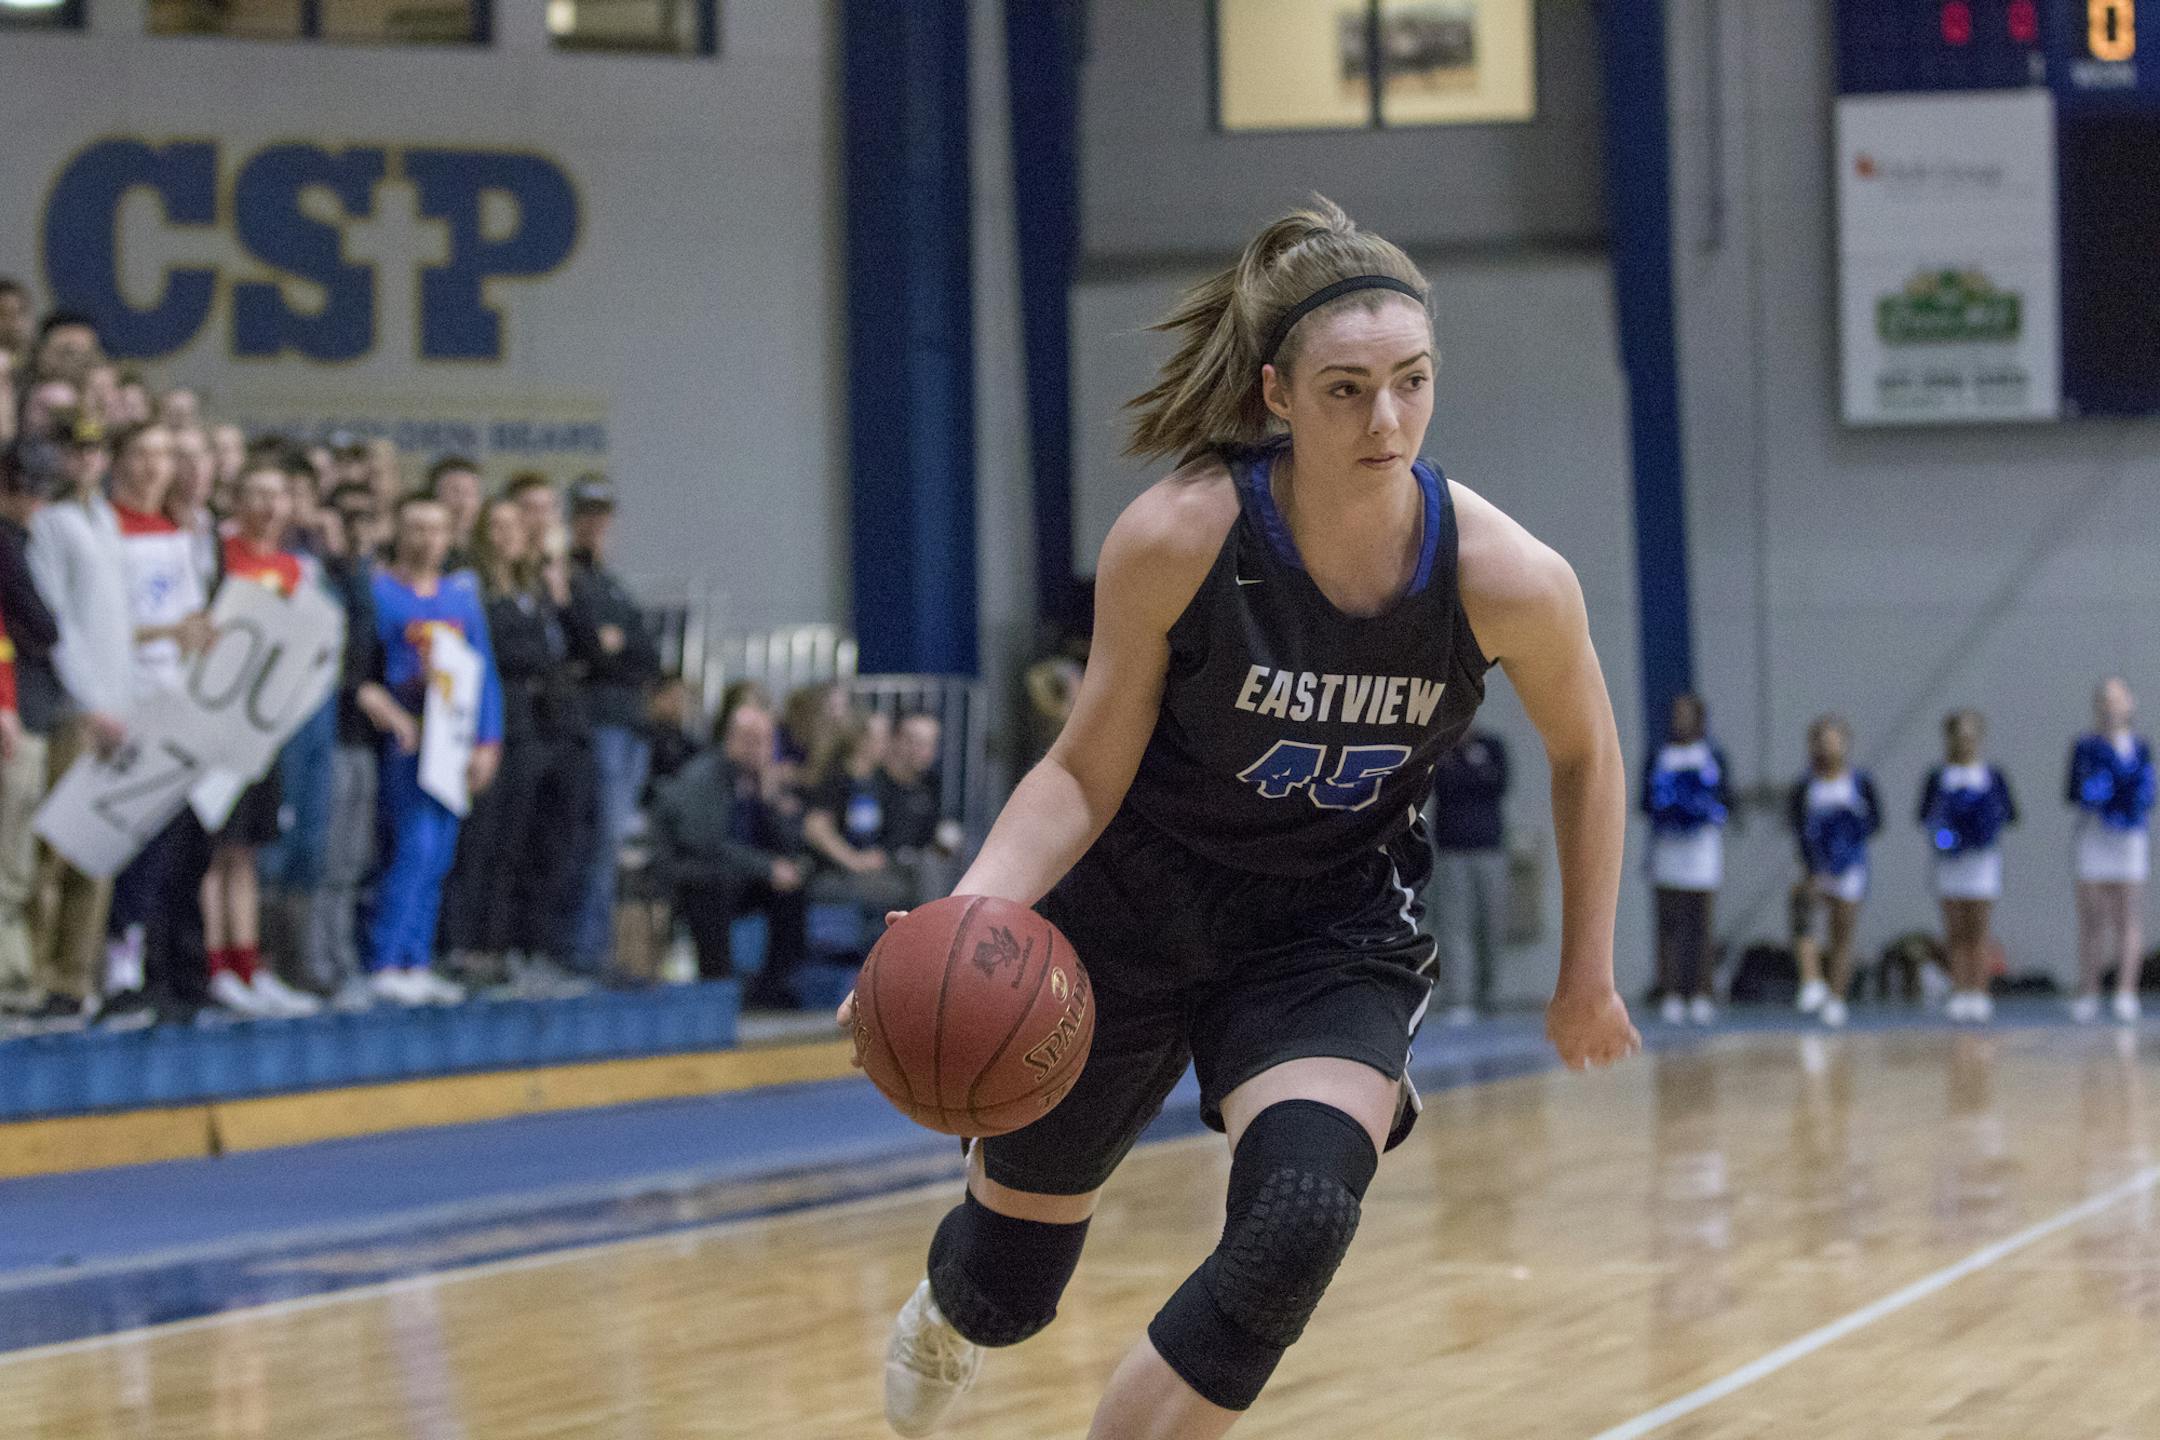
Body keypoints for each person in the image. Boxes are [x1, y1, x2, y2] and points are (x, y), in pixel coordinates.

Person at [846, 199, 1637, 1439]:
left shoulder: (1508, 579)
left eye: (1412, 384)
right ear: (1276, 392)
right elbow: (1079, 772)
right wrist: (965, 915)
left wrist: (1586, 972)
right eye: (1347, 389)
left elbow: (1588, 753)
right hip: (1123, 912)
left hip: (1326, 925)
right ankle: (955, 1308)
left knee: (1300, 1220)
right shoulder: (1180, 537)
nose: (1386, 419)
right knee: (1010, 1292)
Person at [354, 494, 502, 1005]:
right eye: (416, 528)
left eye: (436, 530)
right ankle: (384, 957)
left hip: (454, 740)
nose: (426, 540)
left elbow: (485, 674)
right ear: (399, 531)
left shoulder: (461, 599)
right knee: (410, 849)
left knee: (439, 853)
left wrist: (488, 742)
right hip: (407, 738)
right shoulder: (380, 593)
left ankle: (417, 956)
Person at [200, 460, 322, 1018]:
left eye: (278, 496)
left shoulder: (297, 570)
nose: (269, 507)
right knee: (213, 849)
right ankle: (214, 963)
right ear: (236, 499)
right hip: (214, 717)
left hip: (263, 726)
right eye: (257, 494)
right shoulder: (217, 554)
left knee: (245, 849)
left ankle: (248, 964)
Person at [103, 422, 215, 1024]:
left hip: (175, 701)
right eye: (140, 453)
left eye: (163, 455)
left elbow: (190, 617)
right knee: (126, 837)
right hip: (124, 697)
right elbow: (97, 621)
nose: (153, 467)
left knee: (174, 843)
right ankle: (114, 958)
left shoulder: (177, 534)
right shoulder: (106, 529)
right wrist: (169, 632)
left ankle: (157, 965)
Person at [24, 410, 130, 1022]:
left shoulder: (107, 519)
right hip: (75, 708)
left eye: (95, 451)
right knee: (55, 849)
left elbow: (118, 624)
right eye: (75, 452)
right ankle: (37, 973)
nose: (87, 462)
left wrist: (124, 701)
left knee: (96, 850)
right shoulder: (54, 524)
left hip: (114, 704)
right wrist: (91, 702)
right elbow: (57, 625)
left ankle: (75, 974)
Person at [564, 476, 660, 976]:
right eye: (587, 513)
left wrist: (617, 649)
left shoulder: (613, 584)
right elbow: (596, 649)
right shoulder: (573, 579)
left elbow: (646, 654)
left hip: (627, 725)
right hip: (599, 723)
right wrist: (613, 649)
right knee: (597, 841)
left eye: (603, 514)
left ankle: (597, 946)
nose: (596, 524)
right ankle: (586, 950)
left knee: (613, 842)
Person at [651, 701, 807, 987]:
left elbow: (786, 846)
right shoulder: (704, 776)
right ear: (732, 739)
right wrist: (765, 867)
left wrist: (771, 801)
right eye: (753, 740)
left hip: (739, 875)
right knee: (713, 887)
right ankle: (716, 984)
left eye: (767, 742)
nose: (761, 750)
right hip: (694, 875)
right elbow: (704, 843)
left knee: (792, 888)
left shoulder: (758, 780)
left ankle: (774, 986)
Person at [0, 441, 60, 1011]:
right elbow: (37, 627)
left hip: (25, 707)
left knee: (18, 849)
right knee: (11, 850)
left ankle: (15, 976)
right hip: (17, 712)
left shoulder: (22, 539)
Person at [1919, 709, 2018, 1024]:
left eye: (1970, 736)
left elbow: (2010, 813)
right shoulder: (1938, 776)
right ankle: (1960, 989)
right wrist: (1948, 833)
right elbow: (1926, 815)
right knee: (1955, 929)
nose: (1965, 742)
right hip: (1951, 859)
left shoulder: (1992, 775)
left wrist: (1982, 824)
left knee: (1979, 927)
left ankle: (1979, 990)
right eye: (1958, 736)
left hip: (1982, 859)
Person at [2066, 677, 2152, 1023]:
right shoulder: (2085, 746)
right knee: (2092, 918)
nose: (2111, 705)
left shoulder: (2140, 746)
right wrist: (2096, 793)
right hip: (2094, 835)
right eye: (2104, 699)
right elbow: (2072, 790)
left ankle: (2126, 991)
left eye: (2117, 699)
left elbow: (2147, 790)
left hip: (2129, 837)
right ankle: (2089, 990)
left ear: (2129, 703)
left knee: (2127, 916)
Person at [1641, 694, 1730, 1026]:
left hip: (1702, 848)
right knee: (1669, 922)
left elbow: (1725, 799)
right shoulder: (1658, 755)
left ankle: (1701, 992)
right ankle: (1671, 992)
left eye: (1687, 714)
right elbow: (1645, 800)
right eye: (1676, 714)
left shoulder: (1713, 755)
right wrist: (1672, 811)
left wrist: (1697, 810)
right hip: (1667, 847)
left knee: (1701, 923)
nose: (1680, 720)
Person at [1787, 715, 1880, 1028]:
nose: (1828, 748)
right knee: (1802, 912)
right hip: (1817, 866)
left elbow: (1874, 823)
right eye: (1821, 741)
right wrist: (1812, 867)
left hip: (1850, 865)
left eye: (1834, 740)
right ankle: (1811, 979)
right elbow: (1797, 827)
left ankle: (1837, 997)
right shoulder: (1805, 785)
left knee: (1842, 932)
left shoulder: (1859, 782)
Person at [1423, 727, 1509, 1024]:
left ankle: (1490, 996)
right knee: (1455, 926)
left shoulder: (1491, 745)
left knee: (1492, 925)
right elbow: (1444, 787)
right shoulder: (1441, 747)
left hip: (1490, 849)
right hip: (1452, 851)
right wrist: (1470, 772)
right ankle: (1459, 997)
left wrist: (1470, 767)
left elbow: (1498, 784)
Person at [878, 710, 967, 902]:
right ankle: (936, 928)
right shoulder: (873, 781)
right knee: (929, 868)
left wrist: (949, 840)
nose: (926, 750)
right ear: (896, 740)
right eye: (916, 741)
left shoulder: (931, 783)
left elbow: (942, 830)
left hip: (919, 867)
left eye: (931, 743)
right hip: (880, 865)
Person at [425, 455, 484, 571]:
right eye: (455, 492)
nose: (463, 502)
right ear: (435, 498)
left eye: (470, 493)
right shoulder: (422, 554)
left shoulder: (489, 552)